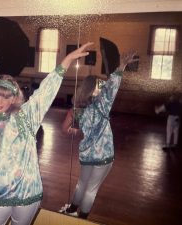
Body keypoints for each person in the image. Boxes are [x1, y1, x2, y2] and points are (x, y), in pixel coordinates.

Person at [0, 42, 94, 225]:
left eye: (6, 96)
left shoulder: (25, 116)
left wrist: (66, 60)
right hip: (0, 193)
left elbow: (45, 91)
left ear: (13, 98)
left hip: (28, 192)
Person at [59, 51, 138, 219]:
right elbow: (113, 85)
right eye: (99, 85)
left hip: (87, 154)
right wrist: (122, 66)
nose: (102, 86)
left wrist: (78, 130)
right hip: (103, 156)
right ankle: (82, 219)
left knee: (82, 184)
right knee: (91, 190)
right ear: (92, 88)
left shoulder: (76, 110)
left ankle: (72, 209)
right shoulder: (102, 105)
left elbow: (65, 128)